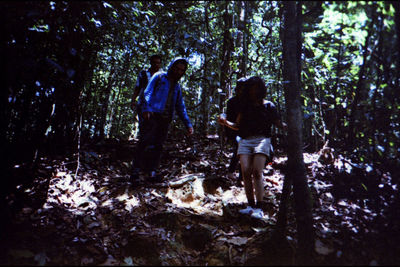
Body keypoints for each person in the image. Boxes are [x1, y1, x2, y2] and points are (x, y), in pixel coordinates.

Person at [218, 76, 287, 219]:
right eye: (251, 87)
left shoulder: (269, 106)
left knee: (257, 171)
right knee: (246, 172)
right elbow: (237, 126)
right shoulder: (244, 106)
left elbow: (278, 123)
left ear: (261, 89)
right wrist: (225, 122)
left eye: (256, 87)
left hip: (262, 140)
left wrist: (291, 126)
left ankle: (259, 208)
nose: (253, 90)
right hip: (245, 140)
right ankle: (250, 205)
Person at [131, 57, 194, 184]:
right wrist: (146, 108)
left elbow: (180, 106)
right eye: (176, 68)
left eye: (182, 70)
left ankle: (151, 172)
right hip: (152, 115)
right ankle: (135, 172)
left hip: (165, 119)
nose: (178, 72)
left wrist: (188, 124)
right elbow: (147, 92)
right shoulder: (159, 76)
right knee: (144, 142)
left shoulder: (177, 87)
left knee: (158, 146)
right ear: (171, 66)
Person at [130, 54, 162, 133]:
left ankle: (150, 144)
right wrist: (133, 100)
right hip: (143, 103)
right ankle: (142, 143)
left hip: (156, 105)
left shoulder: (163, 75)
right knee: (143, 125)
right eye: (154, 62)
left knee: (154, 126)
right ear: (151, 63)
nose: (156, 65)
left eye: (158, 63)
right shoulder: (143, 74)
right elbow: (137, 87)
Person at [224, 77, 248, 186]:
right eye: (240, 88)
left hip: (247, 131)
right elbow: (228, 117)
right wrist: (227, 132)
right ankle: (232, 172)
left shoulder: (249, 101)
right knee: (239, 150)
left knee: (242, 152)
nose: (242, 91)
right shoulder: (232, 102)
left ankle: (240, 176)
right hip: (234, 129)